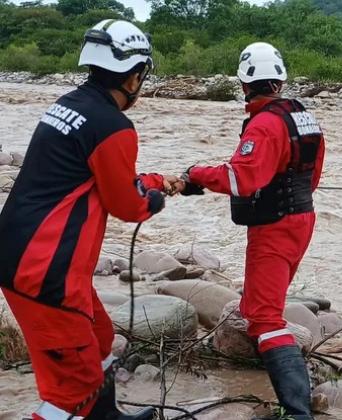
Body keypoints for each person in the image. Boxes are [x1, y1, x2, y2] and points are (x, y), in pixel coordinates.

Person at [0, 19, 178, 420]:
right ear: (134, 76)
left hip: (25, 252)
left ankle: (106, 417)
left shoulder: (68, 105)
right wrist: (153, 200)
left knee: (99, 338)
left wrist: (148, 182)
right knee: (69, 393)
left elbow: (94, 177)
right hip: (46, 269)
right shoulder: (113, 125)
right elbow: (127, 205)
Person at [177, 42, 325, 420]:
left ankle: (296, 412)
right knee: (257, 305)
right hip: (302, 219)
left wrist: (195, 175)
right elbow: (313, 176)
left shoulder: (264, 124)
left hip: (275, 226)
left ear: (244, 83)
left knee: (263, 318)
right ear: (280, 79)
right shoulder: (303, 117)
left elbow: (241, 178)